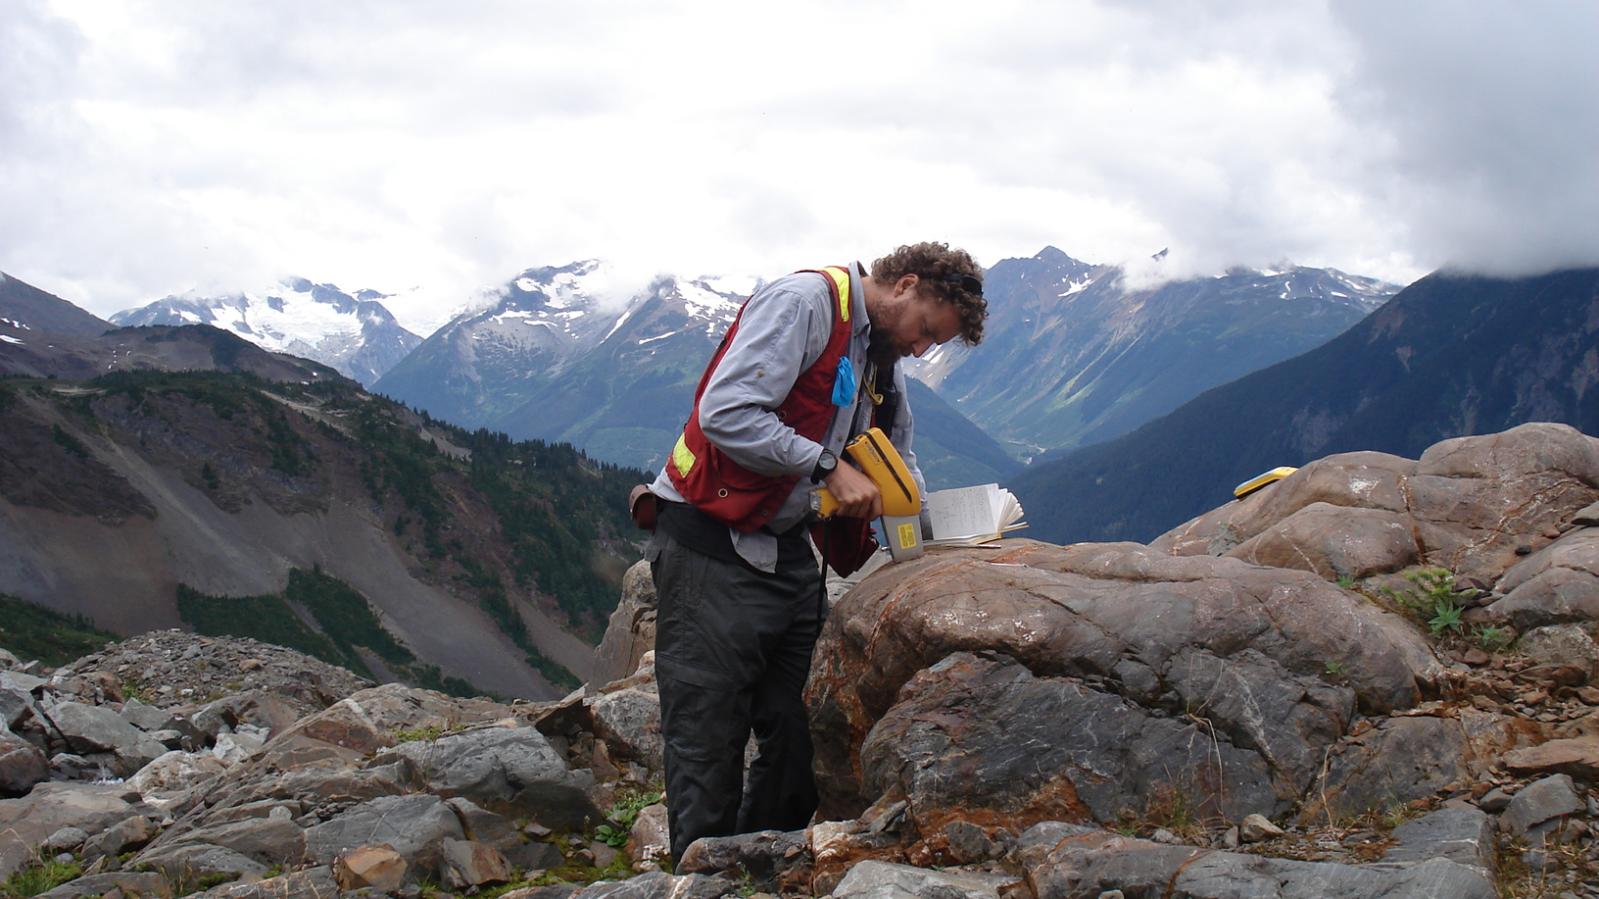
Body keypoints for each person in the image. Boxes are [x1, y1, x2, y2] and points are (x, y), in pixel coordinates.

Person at [642, 242, 988, 865]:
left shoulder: (880, 354)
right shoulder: (804, 303)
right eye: (927, 331)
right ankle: (699, 874)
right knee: (707, 737)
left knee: (806, 726)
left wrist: (941, 530)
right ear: (905, 285)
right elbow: (726, 411)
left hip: (786, 550)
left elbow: (899, 461)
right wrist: (827, 467)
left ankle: (757, 865)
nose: (921, 349)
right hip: (710, 543)